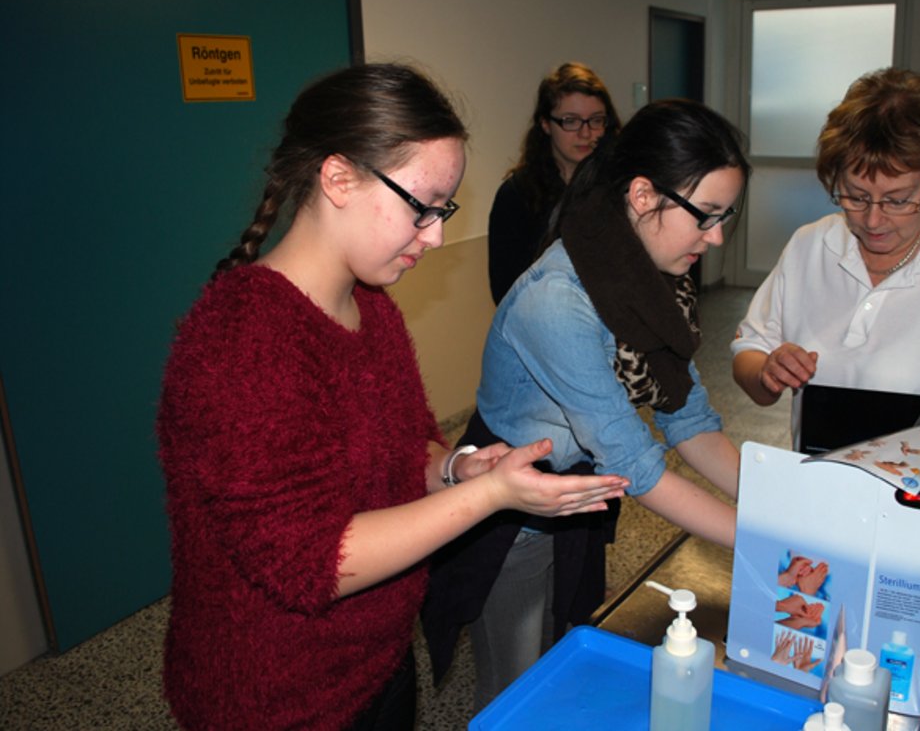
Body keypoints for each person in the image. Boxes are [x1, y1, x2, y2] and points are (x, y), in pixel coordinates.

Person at [156, 62, 628, 731]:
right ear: (338, 178)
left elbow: (405, 449)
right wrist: (490, 497)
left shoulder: (370, 307)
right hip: (276, 695)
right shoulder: (242, 342)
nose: (436, 235)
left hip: (375, 659)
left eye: (445, 210)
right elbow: (314, 563)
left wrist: (456, 468)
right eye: (421, 206)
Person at [423, 98, 750, 710]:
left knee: (566, 661)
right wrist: (764, 540)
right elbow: (636, 463)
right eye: (705, 215)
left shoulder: (652, 278)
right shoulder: (558, 301)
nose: (717, 236)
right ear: (643, 195)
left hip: (579, 496)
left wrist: (782, 505)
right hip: (513, 516)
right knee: (516, 691)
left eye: (725, 215)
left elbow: (688, 418)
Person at [731, 67, 920, 561]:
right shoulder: (811, 247)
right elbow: (751, 350)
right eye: (855, 195)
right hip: (827, 499)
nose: (873, 219)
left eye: (898, 200)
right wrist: (767, 371)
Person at [488, 62, 621, 304]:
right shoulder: (517, 195)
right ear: (545, 124)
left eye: (596, 120)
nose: (585, 133)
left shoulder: (621, 187)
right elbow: (506, 291)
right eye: (570, 121)